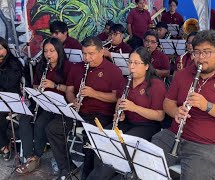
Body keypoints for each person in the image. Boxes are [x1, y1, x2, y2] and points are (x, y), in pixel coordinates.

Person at [151, 30, 215, 179]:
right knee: (146, 163)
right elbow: (168, 102)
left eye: (207, 52)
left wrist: (208, 106)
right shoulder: (183, 74)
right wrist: (176, 111)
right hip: (174, 136)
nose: (200, 58)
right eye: (197, 52)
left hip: (210, 146)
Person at [45, 36, 124, 180]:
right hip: (78, 111)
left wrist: (94, 93)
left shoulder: (113, 71)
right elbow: (69, 90)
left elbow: (115, 97)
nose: (87, 58)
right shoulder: (77, 68)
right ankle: (67, 167)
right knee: (52, 128)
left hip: (101, 114)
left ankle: (87, 176)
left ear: (101, 52)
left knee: (90, 141)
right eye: (84, 53)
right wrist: (73, 100)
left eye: (91, 54)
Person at [86, 47, 167, 180]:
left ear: (146, 66)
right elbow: (119, 100)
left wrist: (134, 108)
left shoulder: (156, 85)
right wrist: (120, 111)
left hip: (147, 126)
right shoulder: (127, 81)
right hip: (127, 122)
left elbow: (159, 115)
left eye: (136, 63)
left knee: (118, 145)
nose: (131, 67)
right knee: (102, 138)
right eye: (130, 62)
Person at [16, 37, 71, 174]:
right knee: (24, 119)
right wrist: (37, 89)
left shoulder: (68, 67)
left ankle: (37, 155)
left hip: (57, 104)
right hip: (41, 101)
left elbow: (71, 90)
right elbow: (35, 84)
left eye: (52, 51)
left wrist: (54, 85)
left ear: (59, 51)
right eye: (45, 51)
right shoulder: (41, 66)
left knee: (41, 123)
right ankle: (29, 156)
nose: (48, 54)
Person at [0, 37, 23, 161]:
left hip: (11, 97)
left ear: (6, 49)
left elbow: (9, 84)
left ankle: (4, 147)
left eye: (0, 49)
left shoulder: (13, 63)